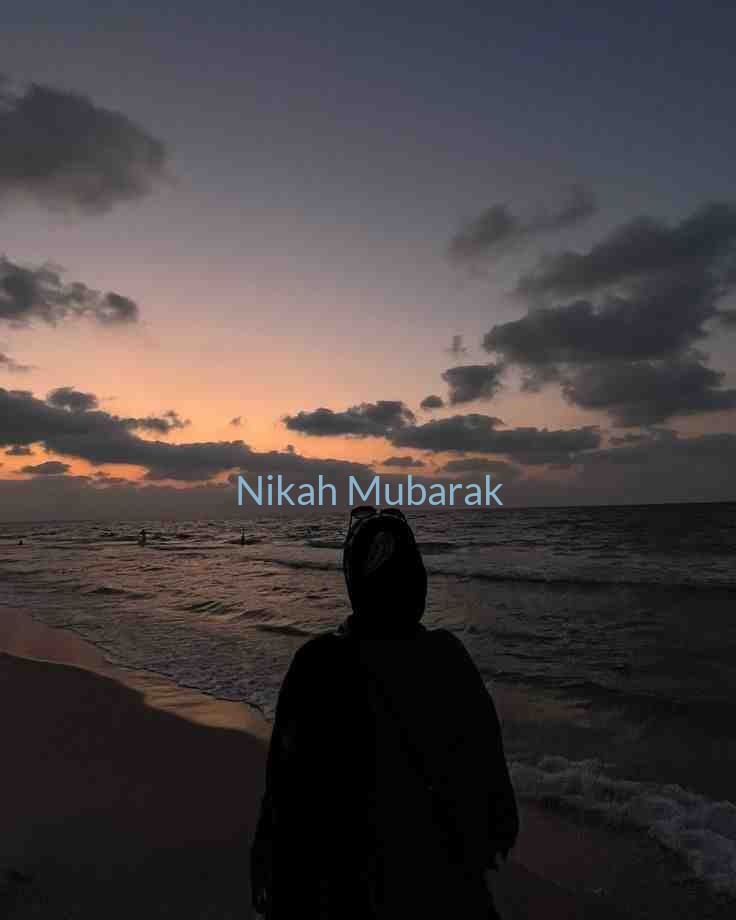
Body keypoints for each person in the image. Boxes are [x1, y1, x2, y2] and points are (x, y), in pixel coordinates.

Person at [250, 506, 518, 919]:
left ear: (354, 581)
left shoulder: (317, 665)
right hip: (445, 895)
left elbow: (283, 802)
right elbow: (500, 817)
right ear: (417, 581)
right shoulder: (448, 661)